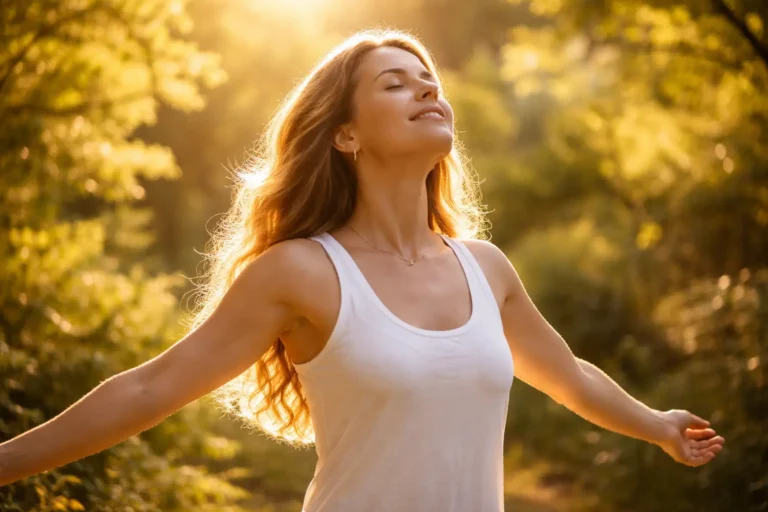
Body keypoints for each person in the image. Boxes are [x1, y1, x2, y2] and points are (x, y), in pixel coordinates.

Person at [0, 29, 724, 511]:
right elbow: (151, 385)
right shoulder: (302, 274)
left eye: (429, 80)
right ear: (346, 134)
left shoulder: (486, 268)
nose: (427, 91)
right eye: (396, 84)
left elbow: (569, 376)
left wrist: (656, 423)